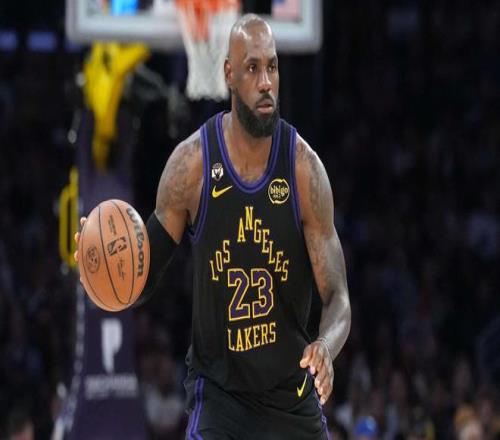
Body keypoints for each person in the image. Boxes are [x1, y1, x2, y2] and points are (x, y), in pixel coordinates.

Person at [76, 14, 351, 439]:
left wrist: (326, 348)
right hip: (220, 397)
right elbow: (141, 277)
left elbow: (338, 298)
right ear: (228, 74)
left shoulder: (304, 170)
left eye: (272, 66)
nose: (265, 82)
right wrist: (102, 266)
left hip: (291, 396)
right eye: (252, 68)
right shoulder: (191, 167)